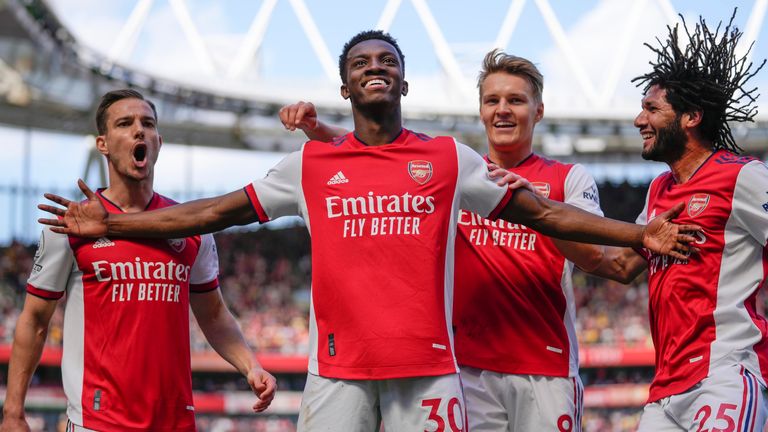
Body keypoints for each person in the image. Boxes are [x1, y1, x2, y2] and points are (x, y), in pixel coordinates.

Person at [37, 31, 698, 431]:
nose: (375, 66)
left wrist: (639, 237)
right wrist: (117, 223)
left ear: (403, 79)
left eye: (387, 59)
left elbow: (543, 214)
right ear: (346, 86)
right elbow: (213, 212)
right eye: (362, 61)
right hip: (338, 374)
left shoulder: (445, 159)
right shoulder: (311, 163)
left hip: (435, 375)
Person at [279, 49, 605, 431]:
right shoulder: (454, 174)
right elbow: (386, 154)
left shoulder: (569, 178)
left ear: (538, 110)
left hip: (546, 367)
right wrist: (319, 131)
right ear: (481, 111)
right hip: (468, 369)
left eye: (516, 100)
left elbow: (593, 254)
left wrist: (536, 206)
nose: (502, 110)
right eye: (492, 101)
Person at [0, 89, 276, 432]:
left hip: (175, 423)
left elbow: (215, 315)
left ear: (159, 141)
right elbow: (34, 320)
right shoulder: (70, 226)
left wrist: (251, 366)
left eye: (147, 124)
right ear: (102, 143)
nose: (138, 130)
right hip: (97, 424)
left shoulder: (193, 229)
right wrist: (13, 413)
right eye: (124, 123)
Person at [584, 12, 768, 431]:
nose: (638, 120)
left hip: (725, 374)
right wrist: (539, 218)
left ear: (691, 117)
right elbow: (621, 267)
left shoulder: (743, 176)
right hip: (664, 390)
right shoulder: (657, 192)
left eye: (651, 108)